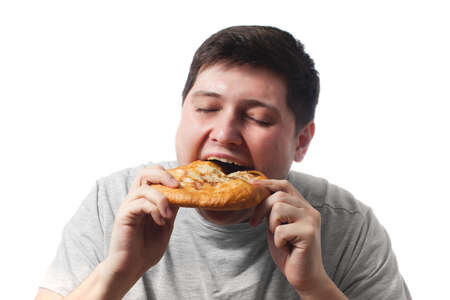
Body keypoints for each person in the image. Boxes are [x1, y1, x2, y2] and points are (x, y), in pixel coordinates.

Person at [35, 25, 411, 300]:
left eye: (259, 118)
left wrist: (315, 287)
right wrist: (116, 273)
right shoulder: (118, 202)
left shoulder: (346, 224)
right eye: (206, 108)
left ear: (301, 140)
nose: (224, 132)